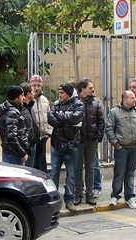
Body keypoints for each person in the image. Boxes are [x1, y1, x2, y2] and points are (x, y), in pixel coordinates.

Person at [105, 90, 136, 209]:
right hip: (122, 148)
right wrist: (116, 144)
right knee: (119, 173)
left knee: (130, 173)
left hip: (135, 148)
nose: (135, 100)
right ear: (125, 100)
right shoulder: (115, 112)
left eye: (135, 98)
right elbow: (109, 128)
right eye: (132, 98)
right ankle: (115, 196)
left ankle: (130, 197)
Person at [48, 82, 84, 212]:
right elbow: (50, 118)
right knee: (54, 173)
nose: (59, 95)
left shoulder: (78, 104)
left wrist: (59, 117)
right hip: (57, 144)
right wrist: (64, 121)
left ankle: (69, 199)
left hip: (71, 144)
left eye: (62, 93)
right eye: (59, 93)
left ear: (68, 93)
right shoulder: (56, 104)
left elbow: (75, 118)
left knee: (71, 175)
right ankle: (53, 199)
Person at [74, 77, 105, 206]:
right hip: (78, 141)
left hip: (91, 141)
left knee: (90, 168)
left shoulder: (96, 103)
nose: (93, 90)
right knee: (77, 168)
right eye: (90, 88)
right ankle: (77, 194)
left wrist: (98, 137)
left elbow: (101, 121)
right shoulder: (74, 102)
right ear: (82, 89)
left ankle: (90, 194)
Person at [0, 85, 29, 165]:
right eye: (22, 95)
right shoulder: (12, 113)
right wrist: (22, 153)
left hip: (10, 152)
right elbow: (11, 137)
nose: (24, 98)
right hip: (14, 155)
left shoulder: (8, 110)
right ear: (16, 97)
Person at [29, 75, 53, 173]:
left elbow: (49, 116)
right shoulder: (28, 99)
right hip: (33, 137)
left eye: (39, 85)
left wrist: (48, 132)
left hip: (43, 136)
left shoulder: (44, 100)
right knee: (34, 162)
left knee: (41, 160)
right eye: (34, 85)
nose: (36, 88)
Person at [20, 82, 40, 168]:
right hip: (24, 147)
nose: (34, 93)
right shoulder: (19, 109)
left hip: (32, 145)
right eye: (32, 91)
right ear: (28, 94)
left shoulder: (30, 107)